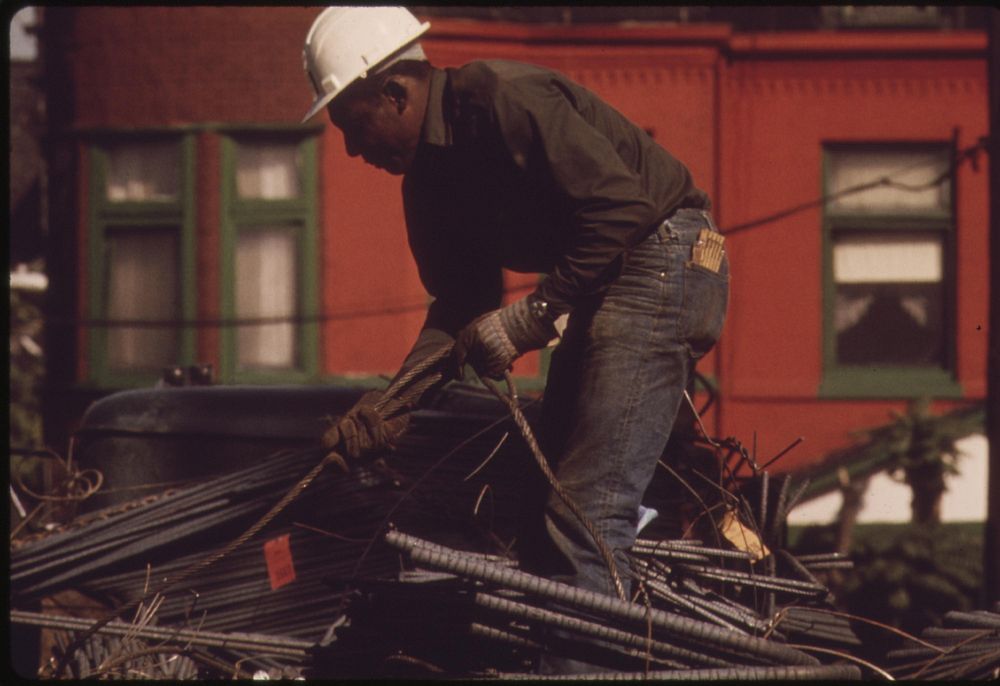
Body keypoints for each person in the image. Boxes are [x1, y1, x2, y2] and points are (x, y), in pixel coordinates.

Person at [304, 6, 729, 674]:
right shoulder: (428, 184)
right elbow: (460, 305)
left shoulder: (502, 99)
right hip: (608, 279)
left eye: (354, 126)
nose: (355, 150)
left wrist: (534, 314)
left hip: (664, 252)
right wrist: (391, 406)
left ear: (395, 93)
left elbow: (621, 208)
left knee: (587, 513)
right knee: (542, 515)